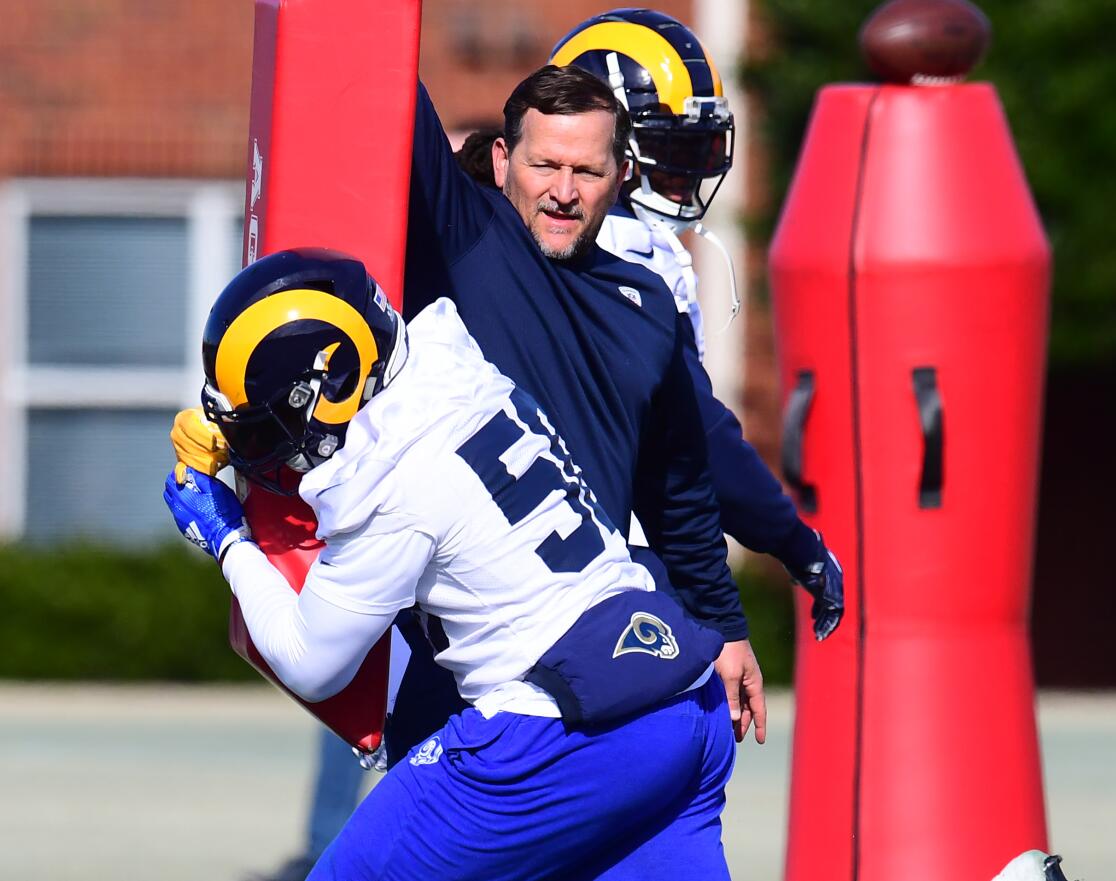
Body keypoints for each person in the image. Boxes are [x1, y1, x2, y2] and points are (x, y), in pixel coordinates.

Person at [163, 248, 734, 881]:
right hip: (685, 705)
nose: (261, 454)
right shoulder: (457, 374)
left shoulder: (393, 477)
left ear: (334, 385)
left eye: (267, 431)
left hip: (565, 728)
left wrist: (227, 537)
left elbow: (311, 663)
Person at [402, 63, 769, 749]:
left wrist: (727, 630)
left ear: (623, 175)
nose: (564, 193)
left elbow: (679, 498)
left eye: (588, 171)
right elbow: (383, 74)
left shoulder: (649, 304)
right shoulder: (467, 237)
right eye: (545, 165)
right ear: (506, 160)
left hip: (600, 650)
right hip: (467, 658)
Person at [550, 9, 845, 636]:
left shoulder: (525, 240)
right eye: (666, 148)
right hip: (586, 566)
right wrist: (793, 541)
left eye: (694, 148)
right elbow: (698, 435)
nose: (685, 173)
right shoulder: (622, 266)